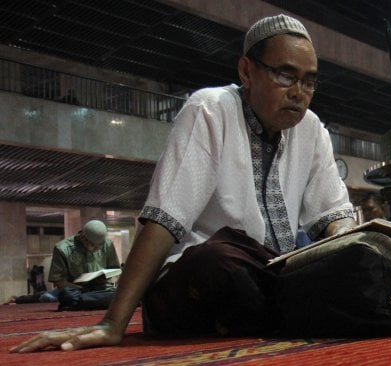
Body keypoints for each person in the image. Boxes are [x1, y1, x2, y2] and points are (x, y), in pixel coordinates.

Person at [11, 14, 355, 353]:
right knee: (221, 260)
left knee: (347, 260)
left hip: (267, 279)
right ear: (246, 71)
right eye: (285, 75)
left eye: (309, 82)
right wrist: (112, 324)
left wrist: (349, 245)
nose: (299, 92)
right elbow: (165, 219)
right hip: (197, 280)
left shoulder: (311, 129)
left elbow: (334, 215)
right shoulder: (210, 109)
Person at [48, 219, 121, 310]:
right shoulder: (62, 248)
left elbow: (115, 270)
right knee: (67, 295)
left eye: (100, 246)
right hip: (79, 291)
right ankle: (95, 301)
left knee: (127, 293)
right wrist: (84, 289)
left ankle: (77, 304)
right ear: (83, 238)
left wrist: (107, 278)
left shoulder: (108, 244)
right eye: (94, 246)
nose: (98, 249)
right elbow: (59, 282)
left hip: (102, 290)